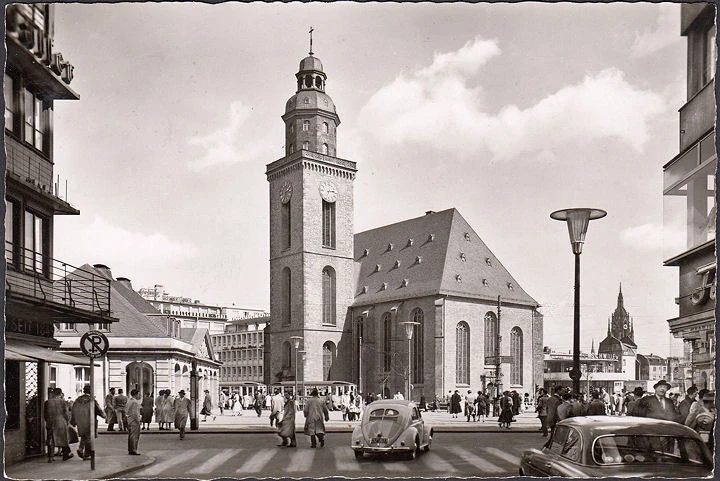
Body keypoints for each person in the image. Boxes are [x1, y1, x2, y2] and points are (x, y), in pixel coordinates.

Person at [70, 384, 105, 460]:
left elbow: (73, 410)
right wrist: (104, 416)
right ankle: (87, 455)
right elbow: (98, 410)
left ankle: (80, 448)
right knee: (89, 437)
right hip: (90, 421)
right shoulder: (92, 400)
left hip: (80, 422)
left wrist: (73, 421)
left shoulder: (77, 400)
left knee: (84, 436)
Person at [45, 388, 73, 461]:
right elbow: (66, 413)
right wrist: (67, 421)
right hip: (61, 422)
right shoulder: (63, 402)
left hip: (50, 421)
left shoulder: (47, 402)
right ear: (60, 394)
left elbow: (45, 414)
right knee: (63, 438)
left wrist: (48, 421)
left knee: (50, 438)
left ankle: (50, 457)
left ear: (53, 393)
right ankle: (65, 455)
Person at [126, 389, 142, 455]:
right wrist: (138, 420)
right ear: (136, 394)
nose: (140, 395)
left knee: (131, 435)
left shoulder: (129, 400)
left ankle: (131, 449)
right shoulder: (135, 402)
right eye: (139, 394)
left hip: (129, 419)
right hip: (134, 420)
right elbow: (135, 413)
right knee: (135, 436)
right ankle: (134, 449)